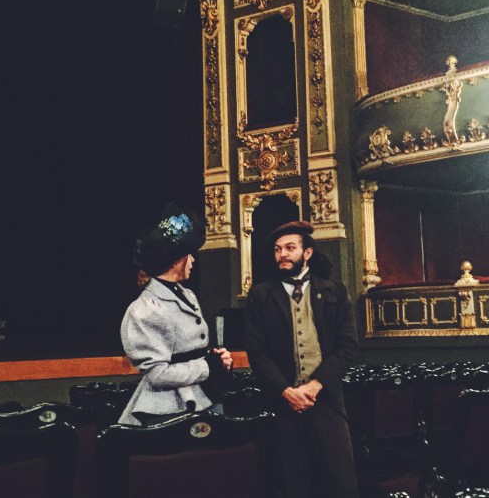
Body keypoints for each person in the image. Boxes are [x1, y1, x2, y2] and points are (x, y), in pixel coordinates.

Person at [244, 220, 359, 497]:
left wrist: (315, 386)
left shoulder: (335, 290)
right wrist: (287, 391)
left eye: (290, 248)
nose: (282, 254)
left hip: (326, 397)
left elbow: (347, 347)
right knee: (289, 482)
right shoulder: (260, 294)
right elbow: (257, 352)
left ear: (307, 253)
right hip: (281, 402)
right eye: (277, 249)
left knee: (339, 481)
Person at [118, 202, 232, 426]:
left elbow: (188, 348)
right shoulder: (146, 307)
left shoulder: (187, 294)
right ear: (175, 261)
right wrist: (208, 367)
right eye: (189, 255)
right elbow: (157, 375)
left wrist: (216, 357)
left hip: (203, 397)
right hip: (168, 408)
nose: (192, 261)